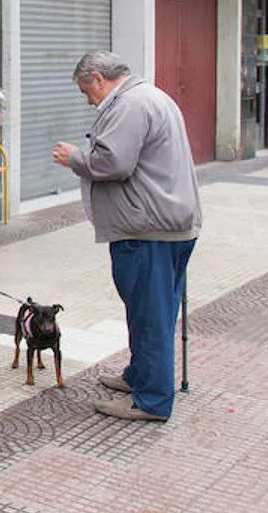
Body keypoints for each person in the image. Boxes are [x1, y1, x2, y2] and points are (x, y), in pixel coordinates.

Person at [52, 51, 202, 422]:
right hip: (167, 224)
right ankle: (141, 376)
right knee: (152, 311)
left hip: (150, 230)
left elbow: (113, 163)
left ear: (99, 79)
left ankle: (150, 399)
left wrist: (75, 157)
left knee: (151, 315)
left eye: (86, 91)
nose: (88, 100)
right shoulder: (150, 96)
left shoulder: (131, 104)